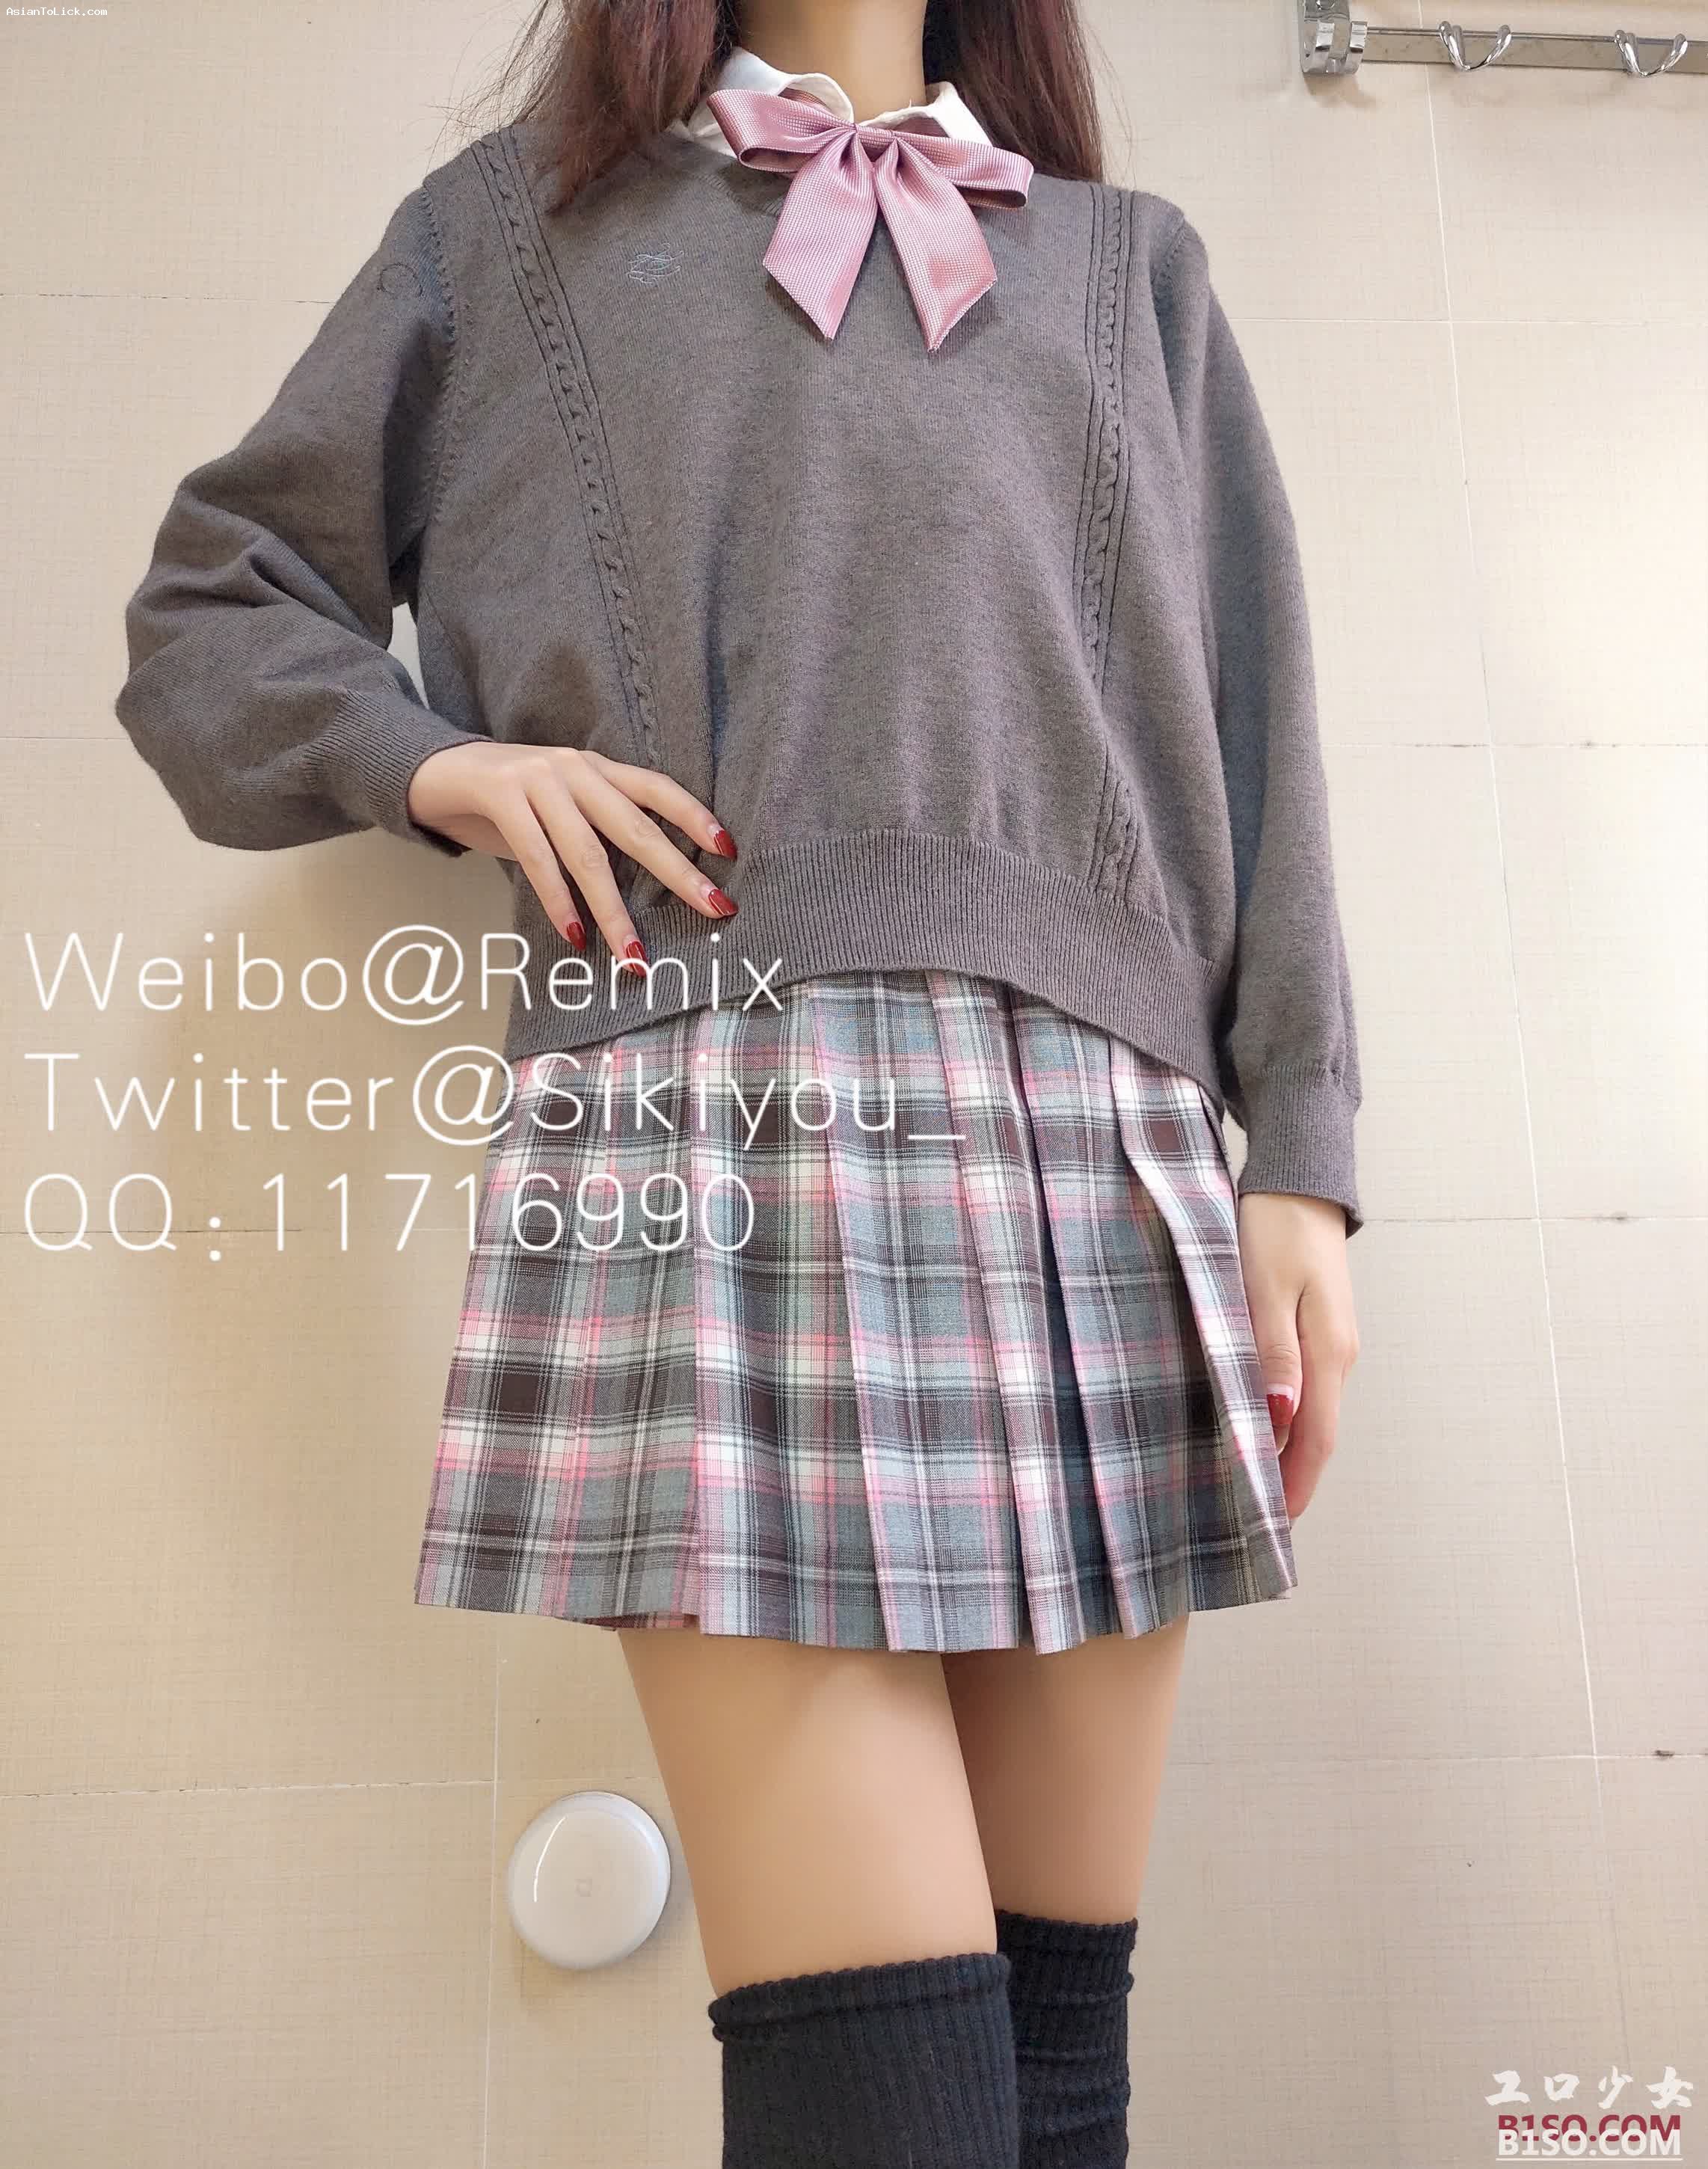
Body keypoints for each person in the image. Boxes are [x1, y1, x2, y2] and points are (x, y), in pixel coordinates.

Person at [114, 2, 1365, 2161]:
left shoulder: (1126, 263)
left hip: (1100, 1138)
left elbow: (1261, 721)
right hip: (711, 1112)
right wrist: (443, 764)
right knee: (884, 2091)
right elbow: (207, 615)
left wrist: (1304, 1155)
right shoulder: (508, 237)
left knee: (1059, 2067)